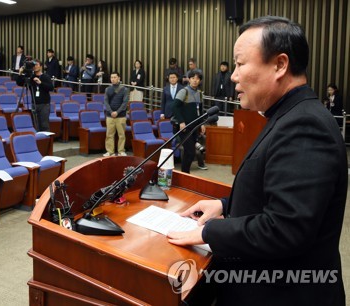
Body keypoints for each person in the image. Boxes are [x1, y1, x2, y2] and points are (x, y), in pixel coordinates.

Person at [167, 16, 347, 306]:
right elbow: (277, 189)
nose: (234, 76)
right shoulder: (289, 115)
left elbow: (285, 228)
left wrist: (207, 232)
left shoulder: (305, 126)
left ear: (279, 65)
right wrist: (225, 205)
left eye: (240, 64)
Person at [172, 70, 205, 173]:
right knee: (189, 151)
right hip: (184, 128)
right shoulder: (184, 91)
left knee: (190, 152)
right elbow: (175, 107)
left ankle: (185, 173)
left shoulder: (199, 94)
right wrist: (181, 122)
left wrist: (202, 123)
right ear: (189, 79)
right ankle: (185, 173)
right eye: (193, 78)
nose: (195, 81)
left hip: (194, 127)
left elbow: (200, 111)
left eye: (197, 79)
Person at [20, 60, 53, 131]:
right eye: (34, 65)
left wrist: (41, 83)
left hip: (44, 104)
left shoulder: (45, 77)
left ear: (41, 67)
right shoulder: (31, 77)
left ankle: (46, 141)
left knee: (44, 124)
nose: (35, 66)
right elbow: (20, 83)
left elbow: (51, 87)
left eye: (37, 65)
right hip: (34, 103)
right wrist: (20, 73)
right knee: (35, 124)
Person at [103, 72, 129, 157]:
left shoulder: (124, 89)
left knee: (121, 135)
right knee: (109, 134)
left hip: (121, 116)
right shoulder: (107, 89)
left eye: (115, 77)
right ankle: (110, 151)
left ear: (119, 78)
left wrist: (117, 112)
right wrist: (111, 112)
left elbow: (125, 103)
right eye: (111, 77)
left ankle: (121, 151)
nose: (113, 79)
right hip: (110, 116)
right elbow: (106, 102)